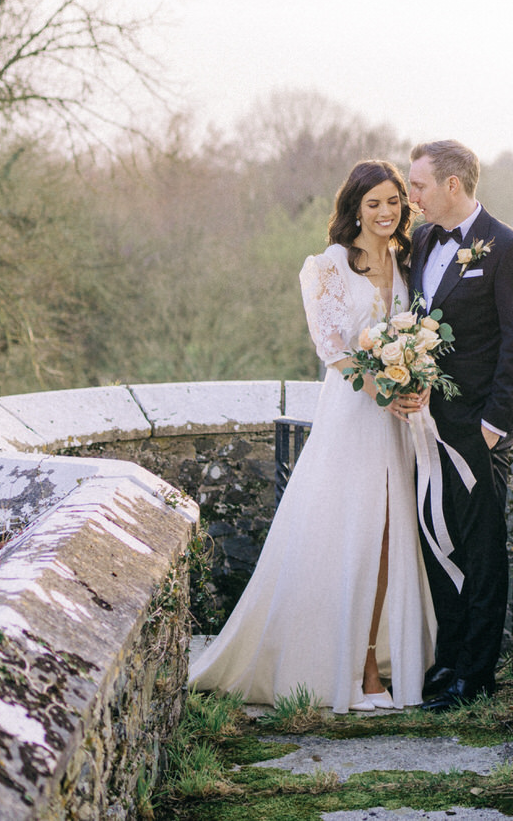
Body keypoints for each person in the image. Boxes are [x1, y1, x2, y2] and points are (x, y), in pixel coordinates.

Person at [188, 160, 436, 711]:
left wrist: (415, 385)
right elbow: (332, 350)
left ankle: (371, 655)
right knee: (348, 536)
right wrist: (383, 392)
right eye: (373, 203)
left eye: (393, 201)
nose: (385, 212)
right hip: (352, 416)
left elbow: (415, 334)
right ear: (353, 207)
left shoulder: (405, 261)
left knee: (389, 538)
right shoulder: (324, 267)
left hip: (395, 424)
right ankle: (359, 671)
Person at [406, 139, 513, 710]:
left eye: (418, 186)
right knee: (438, 539)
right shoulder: (420, 241)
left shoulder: (509, 248)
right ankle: (449, 659)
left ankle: (477, 676)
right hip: (424, 425)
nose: (412, 198)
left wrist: (493, 424)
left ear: (452, 185)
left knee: (483, 550)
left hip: (477, 431)